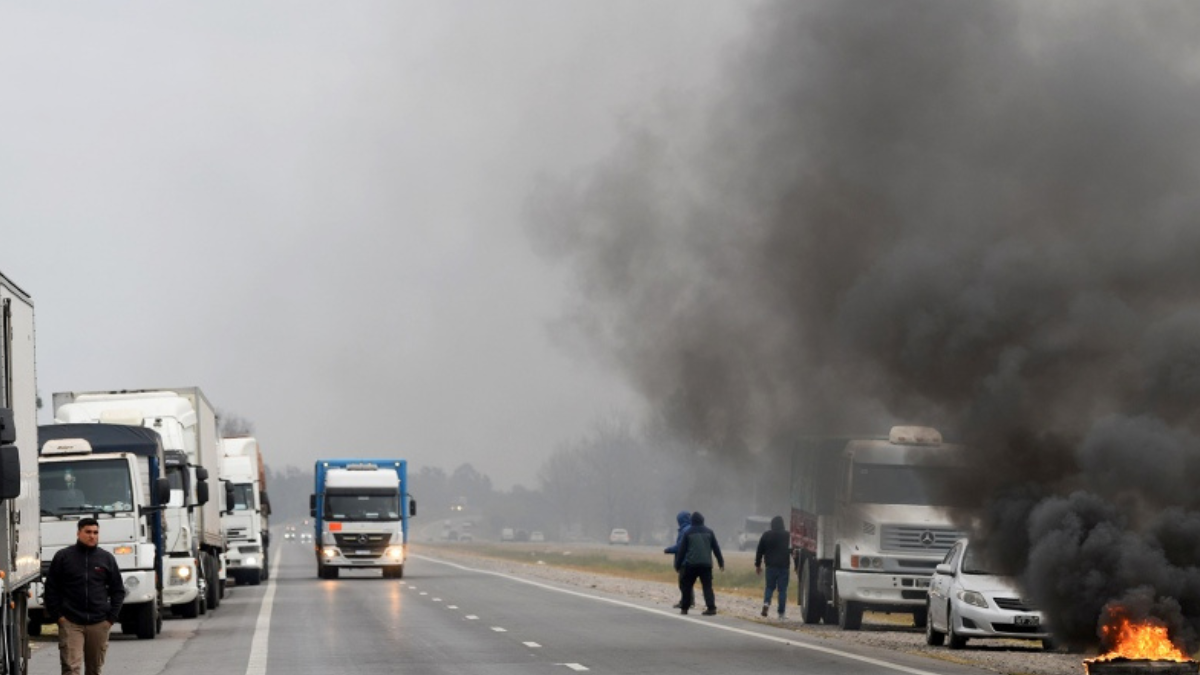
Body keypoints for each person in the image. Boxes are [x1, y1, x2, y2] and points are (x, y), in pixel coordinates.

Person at [44, 517, 126, 675]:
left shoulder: (106, 558)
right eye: (88, 532)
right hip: (71, 622)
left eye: (95, 532)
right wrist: (59, 616)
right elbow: (51, 588)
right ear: (78, 533)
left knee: (94, 669)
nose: (92, 536)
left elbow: (118, 590)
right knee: (71, 667)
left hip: (99, 622)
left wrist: (111, 619)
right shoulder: (63, 557)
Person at [674, 511, 725, 616]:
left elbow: (682, 550)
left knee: (687, 586)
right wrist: (721, 562)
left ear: (692, 521)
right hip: (706, 565)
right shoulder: (709, 532)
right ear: (703, 520)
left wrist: (678, 565)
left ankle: (684, 608)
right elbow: (716, 548)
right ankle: (711, 608)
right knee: (707, 587)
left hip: (691, 564)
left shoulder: (688, 533)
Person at [755, 515, 793, 619]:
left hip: (770, 566)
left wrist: (758, 565)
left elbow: (759, 551)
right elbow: (792, 551)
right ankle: (781, 613)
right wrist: (797, 564)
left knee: (769, 587)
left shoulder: (766, 535)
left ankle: (766, 603)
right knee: (782, 590)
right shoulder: (787, 536)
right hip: (784, 567)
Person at [663, 510, 691, 609]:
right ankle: (688, 600)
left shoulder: (684, 531)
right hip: (691, 559)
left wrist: (668, 550)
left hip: (684, 560)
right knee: (688, 583)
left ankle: (685, 602)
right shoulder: (690, 529)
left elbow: (680, 546)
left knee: (683, 583)